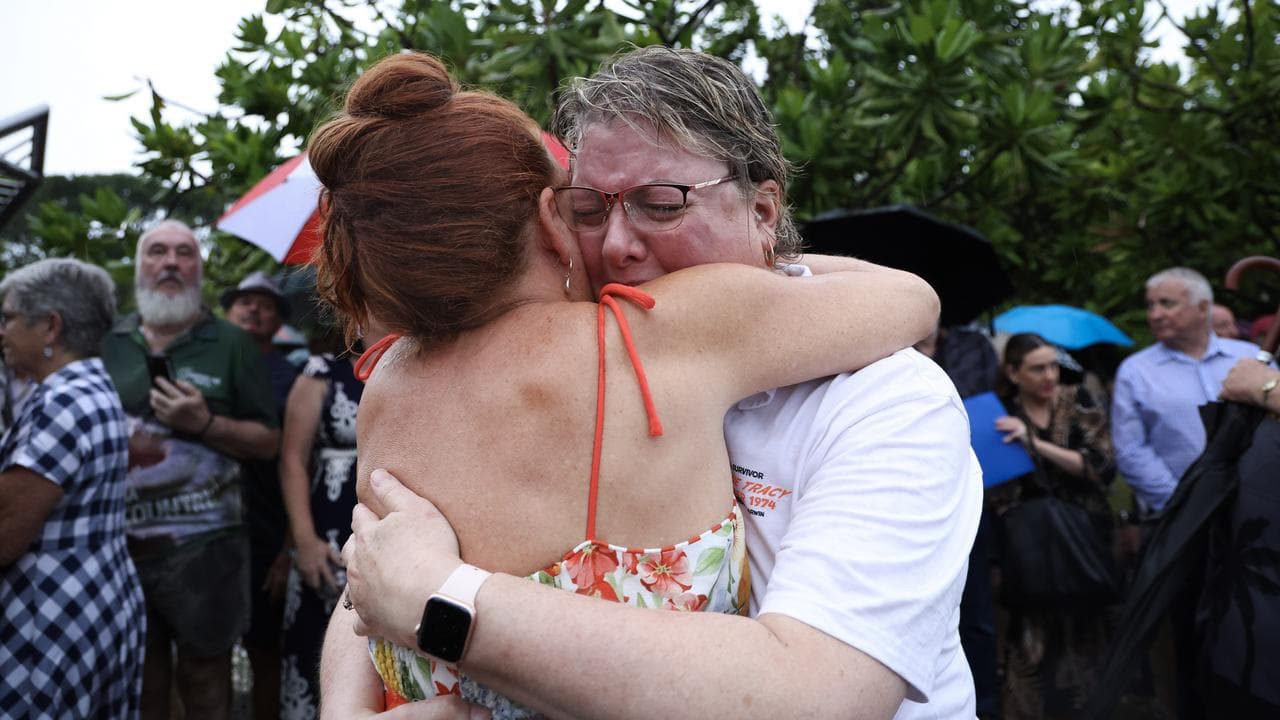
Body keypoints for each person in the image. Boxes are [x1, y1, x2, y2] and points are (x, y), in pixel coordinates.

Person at [326, 46, 982, 719]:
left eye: (661, 205)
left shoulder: (885, 398)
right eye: (587, 208)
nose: (616, 246)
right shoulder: (599, 344)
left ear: (762, 210)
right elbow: (378, 569)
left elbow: (820, 697)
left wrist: (446, 600)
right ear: (552, 221)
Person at [101, 220, 281, 719]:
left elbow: (269, 442)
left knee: (204, 684)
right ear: (140, 266)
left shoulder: (232, 343)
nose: (171, 263)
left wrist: (204, 423)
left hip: (209, 554)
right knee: (141, 682)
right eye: (158, 252)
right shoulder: (106, 340)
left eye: (185, 253)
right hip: (117, 550)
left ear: (198, 269)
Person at [0, 258, 144, 718]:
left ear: (50, 327)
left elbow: (6, 535)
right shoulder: (91, 386)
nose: (2, 331)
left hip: (47, 620)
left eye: (8, 318)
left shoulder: (62, 400)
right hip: (89, 602)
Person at [989, 333, 1116, 719]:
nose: (1049, 376)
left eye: (1053, 365)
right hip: (1029, 548)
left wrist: (1034, 443)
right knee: (1030, 642)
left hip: (1083, 537)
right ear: (1013, 373)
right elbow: (995, 491)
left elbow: (1101, 468)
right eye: (1037, 368)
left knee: (1089, 635)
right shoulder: (999, 414)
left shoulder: (1077, 400)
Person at [1111, 267, 1261, 515]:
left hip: (1256, 507)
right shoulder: (1135, 371)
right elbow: (1130, 449)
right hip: (1180, 516)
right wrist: (1181, 501)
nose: (1155, 314)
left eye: (1167, 304)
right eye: (1150, 305)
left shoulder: (1250, 358)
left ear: (1203, 307)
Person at [222, 270, 302, 720]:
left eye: (265, 304)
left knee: (266, 649)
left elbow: (301, 468)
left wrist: (289, 548)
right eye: (243, 301)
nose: (253, 309)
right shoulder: (204, 372)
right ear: (228, 313)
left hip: (268, 529)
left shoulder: (290, 380)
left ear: (277, 321)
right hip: (209, 529)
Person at [278, 343, 363, 717]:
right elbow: (292, 460)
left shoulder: (422, 359)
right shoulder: (321, 372)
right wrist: (305, 541)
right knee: (313, 646)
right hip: (325, 532)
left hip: (382, 532)